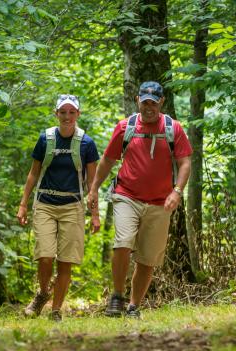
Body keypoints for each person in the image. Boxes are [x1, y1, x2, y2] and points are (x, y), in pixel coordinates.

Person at [87, 81, 192, 318]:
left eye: (153, 103)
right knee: (122, 243)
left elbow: (185, 162)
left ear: (161, 102)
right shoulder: (126, 127)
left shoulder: (173, 128)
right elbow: (107, 160)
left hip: (160, 202)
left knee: (147, 258)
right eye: (145, 102)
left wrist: (177, 191)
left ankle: (134, 306)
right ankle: (116, 297)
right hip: (127, 195)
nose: (149, 107)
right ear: (138, 101)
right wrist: (93, 188)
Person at [17, 94, 100, 321]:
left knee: (66, 261)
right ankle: (43, 293)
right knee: (45, 256)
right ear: (56, 114)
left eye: (71, 112)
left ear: (78, 115)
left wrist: (95, 215)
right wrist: (23, 205)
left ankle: (55, 311)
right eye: (63, 112)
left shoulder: (87, 144)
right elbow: (33, 173)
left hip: (72, 206)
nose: (67, 116)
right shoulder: (45, 139)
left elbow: (92, 184)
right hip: (45, 203)